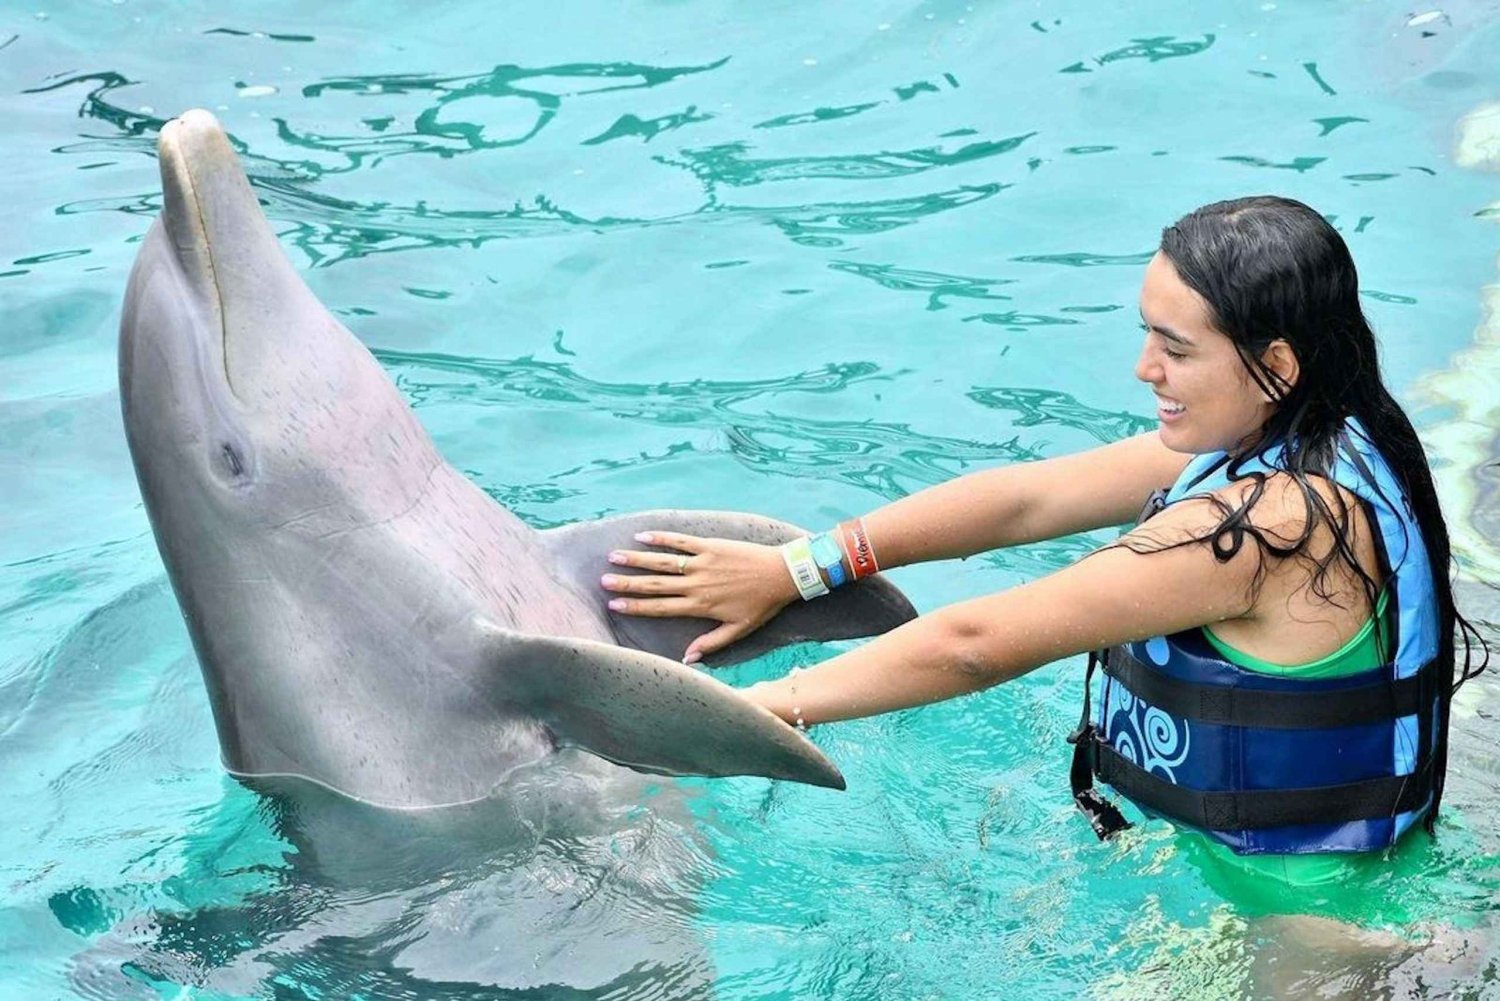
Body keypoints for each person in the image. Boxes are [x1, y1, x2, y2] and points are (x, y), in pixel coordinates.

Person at [597, 195, 1486, 882]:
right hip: (1257, 876)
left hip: (1301, 933)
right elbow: (1028, 500)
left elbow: (977, 645)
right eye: (1145, 334)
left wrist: (732, 716)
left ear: (1277, 364)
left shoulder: (1273, 529)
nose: (1145, 369)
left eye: (1175, 348)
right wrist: (798, 568)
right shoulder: (1314, 431)